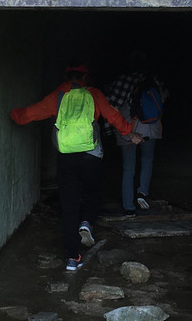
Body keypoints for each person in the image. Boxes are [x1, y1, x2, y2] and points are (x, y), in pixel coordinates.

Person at [10, 62, 142, 271]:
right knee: (94, 192)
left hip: (66, 157)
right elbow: (113, 116)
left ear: (66, 78)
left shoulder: (58, 96)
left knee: (69, 205)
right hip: (91, 155)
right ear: (86, 78)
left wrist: (12, 114)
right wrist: (130, 133)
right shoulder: (94, 94)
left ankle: (72, 258)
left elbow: (30, 114)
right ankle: (87, 221)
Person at [106, 52, 166, 216]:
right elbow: (163, 98)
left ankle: (128, 206)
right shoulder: (154, 80)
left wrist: (109, 130)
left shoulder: (122, 81)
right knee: (147, 160)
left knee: (128, 167)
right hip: (150, 127)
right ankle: (142, 193)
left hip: (127, 127)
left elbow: (110, 106)